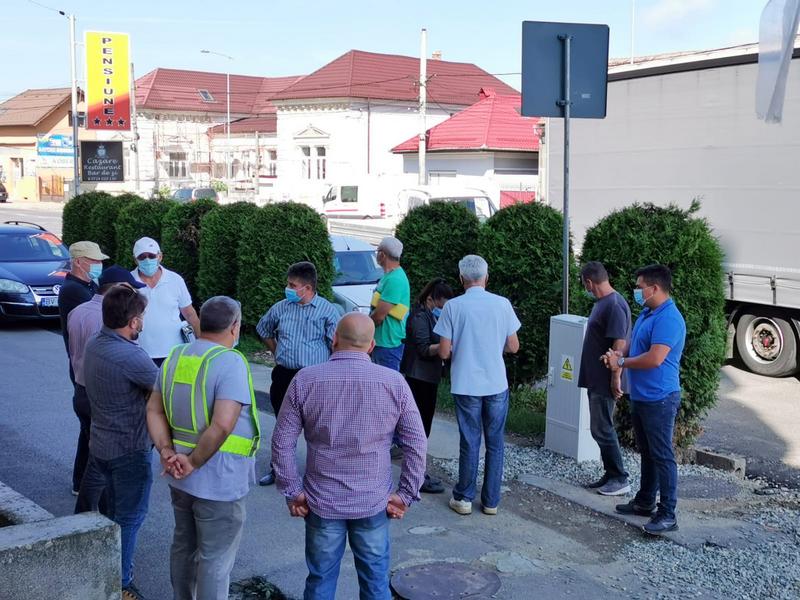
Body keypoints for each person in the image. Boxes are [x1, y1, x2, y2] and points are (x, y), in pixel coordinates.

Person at [272, 313, 427, 600]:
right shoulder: (394, 383)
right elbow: (416, 443)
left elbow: (282, 442)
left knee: (320, 581)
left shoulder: (305, 380)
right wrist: (406, 494)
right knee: (376, 584)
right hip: (374, 502)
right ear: (372, 345)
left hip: (320, 502)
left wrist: (293, 491)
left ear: (334, 340)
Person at [147, 296, 260, 600]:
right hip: (218, 479)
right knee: (215, 560)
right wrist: (194, 461)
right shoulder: (230, 361)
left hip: (178, 475)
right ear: (234, 327)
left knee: (184, 546)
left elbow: (154, 410)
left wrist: (166, 451)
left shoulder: (176, 355)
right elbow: (222, 424)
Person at [83, 285, 159, 600]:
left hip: (101, 445)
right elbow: (163, 390)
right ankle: (121, 583)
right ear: (133, 322)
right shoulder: (131, 355)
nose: (143, 321)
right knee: (129, 517)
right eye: (141, 316)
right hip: (129, 450)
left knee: (113, 513)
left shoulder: (94, 343)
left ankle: (105, 570)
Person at [602, 264, 686, 536]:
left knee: (662, 456)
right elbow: (633, 343)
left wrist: (621, 362)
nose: (636, 291)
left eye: (640, 287)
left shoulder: (669, 319)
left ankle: (668, 514)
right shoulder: (648, 312)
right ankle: (645, 501)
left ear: (655, 288)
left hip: (659, 398)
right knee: (648, 452)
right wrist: (617, 355)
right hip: (642, 396)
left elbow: (655, 358)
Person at [435, 255, 520, 516]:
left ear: (461, 278)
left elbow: (444, 352)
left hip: (466, 383)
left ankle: (463, 497)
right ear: (486, 277)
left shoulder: (453, 307)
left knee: (470, 441)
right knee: (495, 442)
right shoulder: (502, 304)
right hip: (496, 382)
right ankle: (491, 501)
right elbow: (513, 346)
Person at [255, 261, 340, 486]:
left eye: (293, 285)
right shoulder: (281, 307)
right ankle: (279, 470)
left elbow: (336, 346)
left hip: (314, 378)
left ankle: (319, 472)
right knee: (284, 426)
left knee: (318, 426)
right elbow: (263, 328)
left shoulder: (327, 311)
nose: (288, 289)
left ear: (308, 288)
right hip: (284, 375)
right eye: (288, 284)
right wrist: (277, 351)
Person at [70, 265, 146, 513]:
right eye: (130, 291)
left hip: (82, 389)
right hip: (104, 394)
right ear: (119, 290)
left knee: (95, 456)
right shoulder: (108, 324)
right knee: (103, 460)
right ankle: (101, 513)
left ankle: (86, 511)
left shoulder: (78, 312)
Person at [577, 261, 632, 496]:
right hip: (596, 378)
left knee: (602, 428)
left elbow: (619, 345)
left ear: (589, 282)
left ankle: (619, 477)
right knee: (599, 428)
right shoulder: (604, 303)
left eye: (584, 284)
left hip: (604, 380)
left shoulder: (614, 305)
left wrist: (615, 378)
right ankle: (610, 474)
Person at [58, 240, 108, 495]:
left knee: (89, 428)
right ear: (78, 262)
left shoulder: (89, 285)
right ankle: (84, 483)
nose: (99, 264)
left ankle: (83, 481)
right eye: (94, 260)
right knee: (91, 428)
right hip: (83, 365)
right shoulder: (73, 290)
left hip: (86, 364)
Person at [400, 278, 454, 494]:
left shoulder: (430, 315)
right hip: (419, 378)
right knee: (419, 430)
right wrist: (444, 347)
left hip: (427, 377)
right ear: (431, 299)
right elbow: (423, 348)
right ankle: (417, 477)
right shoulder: (419, 317)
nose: (443, 309)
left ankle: (418, 473)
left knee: (423, 429)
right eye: (441, 305)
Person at [130, 237, 200, 366]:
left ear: (160, 256)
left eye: (151, 256)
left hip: (174, 352)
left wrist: (201, 341)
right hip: (139, 352)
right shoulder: (128, 282)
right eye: (142, 257)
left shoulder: (175, 280)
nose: (147, 260)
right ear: (135, 260)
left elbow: (189, 313)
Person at [370, 236, 410, 371]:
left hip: (387, 345)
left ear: (382, 255)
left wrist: (364, 329)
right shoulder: (390, 276)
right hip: (383, 343)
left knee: (386, 383)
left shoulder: (395, 280)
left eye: (377, 251)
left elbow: (379, 316)